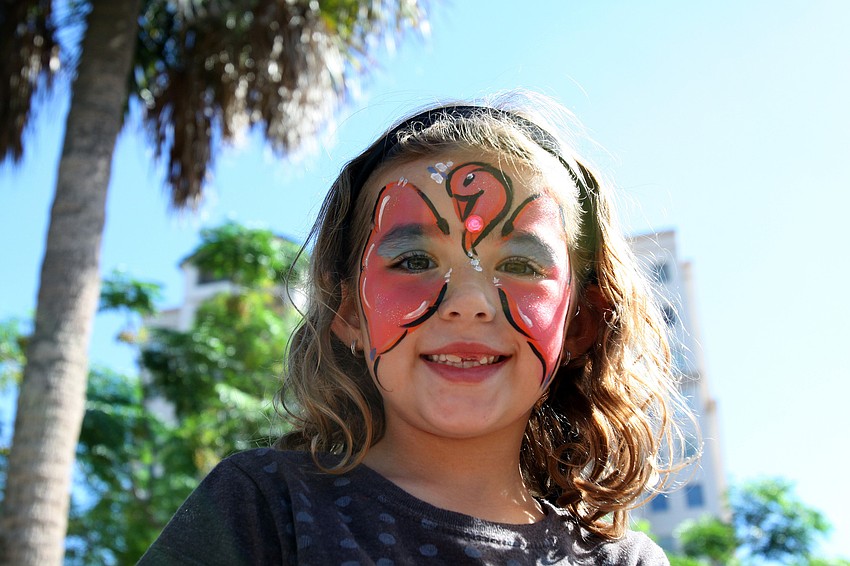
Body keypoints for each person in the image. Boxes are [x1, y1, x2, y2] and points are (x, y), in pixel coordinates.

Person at [138, 91, 696, 565]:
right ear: (348, 309)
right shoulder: (263, 506)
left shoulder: (623, 562)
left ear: (580, 324)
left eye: (522, 266)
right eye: (413, 261)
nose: (469, 303)